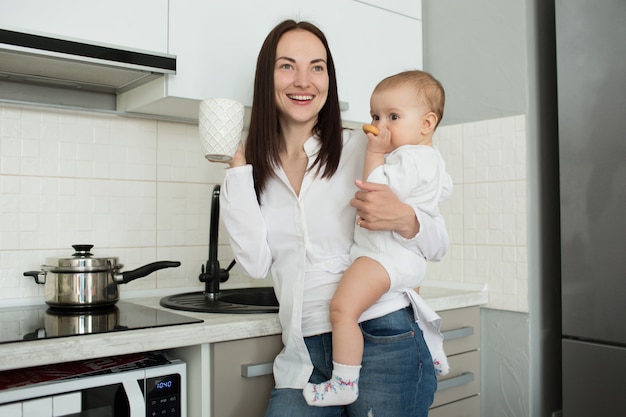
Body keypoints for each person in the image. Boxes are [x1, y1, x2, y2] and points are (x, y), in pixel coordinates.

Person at [218, 19, 448, 417]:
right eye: (287, 66)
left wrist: (407, 219)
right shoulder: (257, 171)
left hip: (383, 333)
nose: (303, 80)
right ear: (266, 77)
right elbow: (255, 263)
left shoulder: (365, 145)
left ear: (329, 78)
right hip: (305, 351)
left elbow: (438, 244)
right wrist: (237, 169)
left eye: (317, 67)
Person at [302, 70, 453, 407]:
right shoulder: (432, 161)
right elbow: (437, 201)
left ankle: (343, 381)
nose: (380, 125)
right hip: (409, 263)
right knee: (414, 309)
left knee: (342, 309)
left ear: (427, 124)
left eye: (393, 117)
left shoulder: (407, 158)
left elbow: (377, 187)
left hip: (384, 257)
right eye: (375, 116)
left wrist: (374, 152)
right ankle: (433, 351)